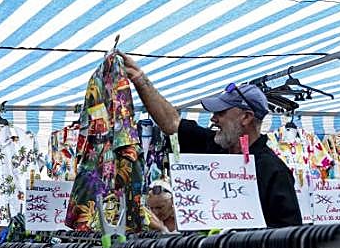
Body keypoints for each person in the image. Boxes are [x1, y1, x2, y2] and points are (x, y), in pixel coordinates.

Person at [122, 54, 302, 227]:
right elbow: (172, 123)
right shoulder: (213, 145)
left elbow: (288, 234)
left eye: (221, 112)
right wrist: (140, 79)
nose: (213, 118)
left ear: (246, 117)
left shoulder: (273, 170)